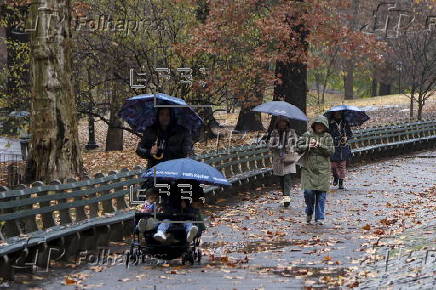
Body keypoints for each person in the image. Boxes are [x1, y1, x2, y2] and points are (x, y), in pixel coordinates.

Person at [296, 115, 334, 225]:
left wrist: (319, 145)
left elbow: (331, 151)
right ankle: (309, 211)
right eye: (317, 124)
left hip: (323, 170)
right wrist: (308, 146)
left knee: (321, 195)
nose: (319, 126)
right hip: (308, 169)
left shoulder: (327, 137)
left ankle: (320, 217)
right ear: (314, 125)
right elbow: (297, 147)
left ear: (325, 126)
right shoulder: (307, 135)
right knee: (309, 193)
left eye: (321, 125)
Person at [268, 117, 300, 207]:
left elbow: (296, 143)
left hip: (288, 158)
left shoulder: (291, 132)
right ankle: (285, 196)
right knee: (281, 179)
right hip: (278, 159)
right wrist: (276, 146)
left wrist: (289, 147)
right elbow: (270, 145)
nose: (282, 124)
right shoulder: (274, 132)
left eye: (284, 122)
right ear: (277, 123)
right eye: (280, 122)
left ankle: (287, 198)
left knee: (287, 178)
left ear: (287, 123)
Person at [329, 111, 353, 189]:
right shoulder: (330, 123)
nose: (338, 114)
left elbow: (350, 134)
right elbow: (327, 134)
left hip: (343, 147)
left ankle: (341, 182)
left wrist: (346, 138)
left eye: (339, 113)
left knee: (342, 165)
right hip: (334, 147)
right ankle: (335, 176)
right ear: (334, 114)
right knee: (333, 166)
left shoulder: (345, 123)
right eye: (336, 113)